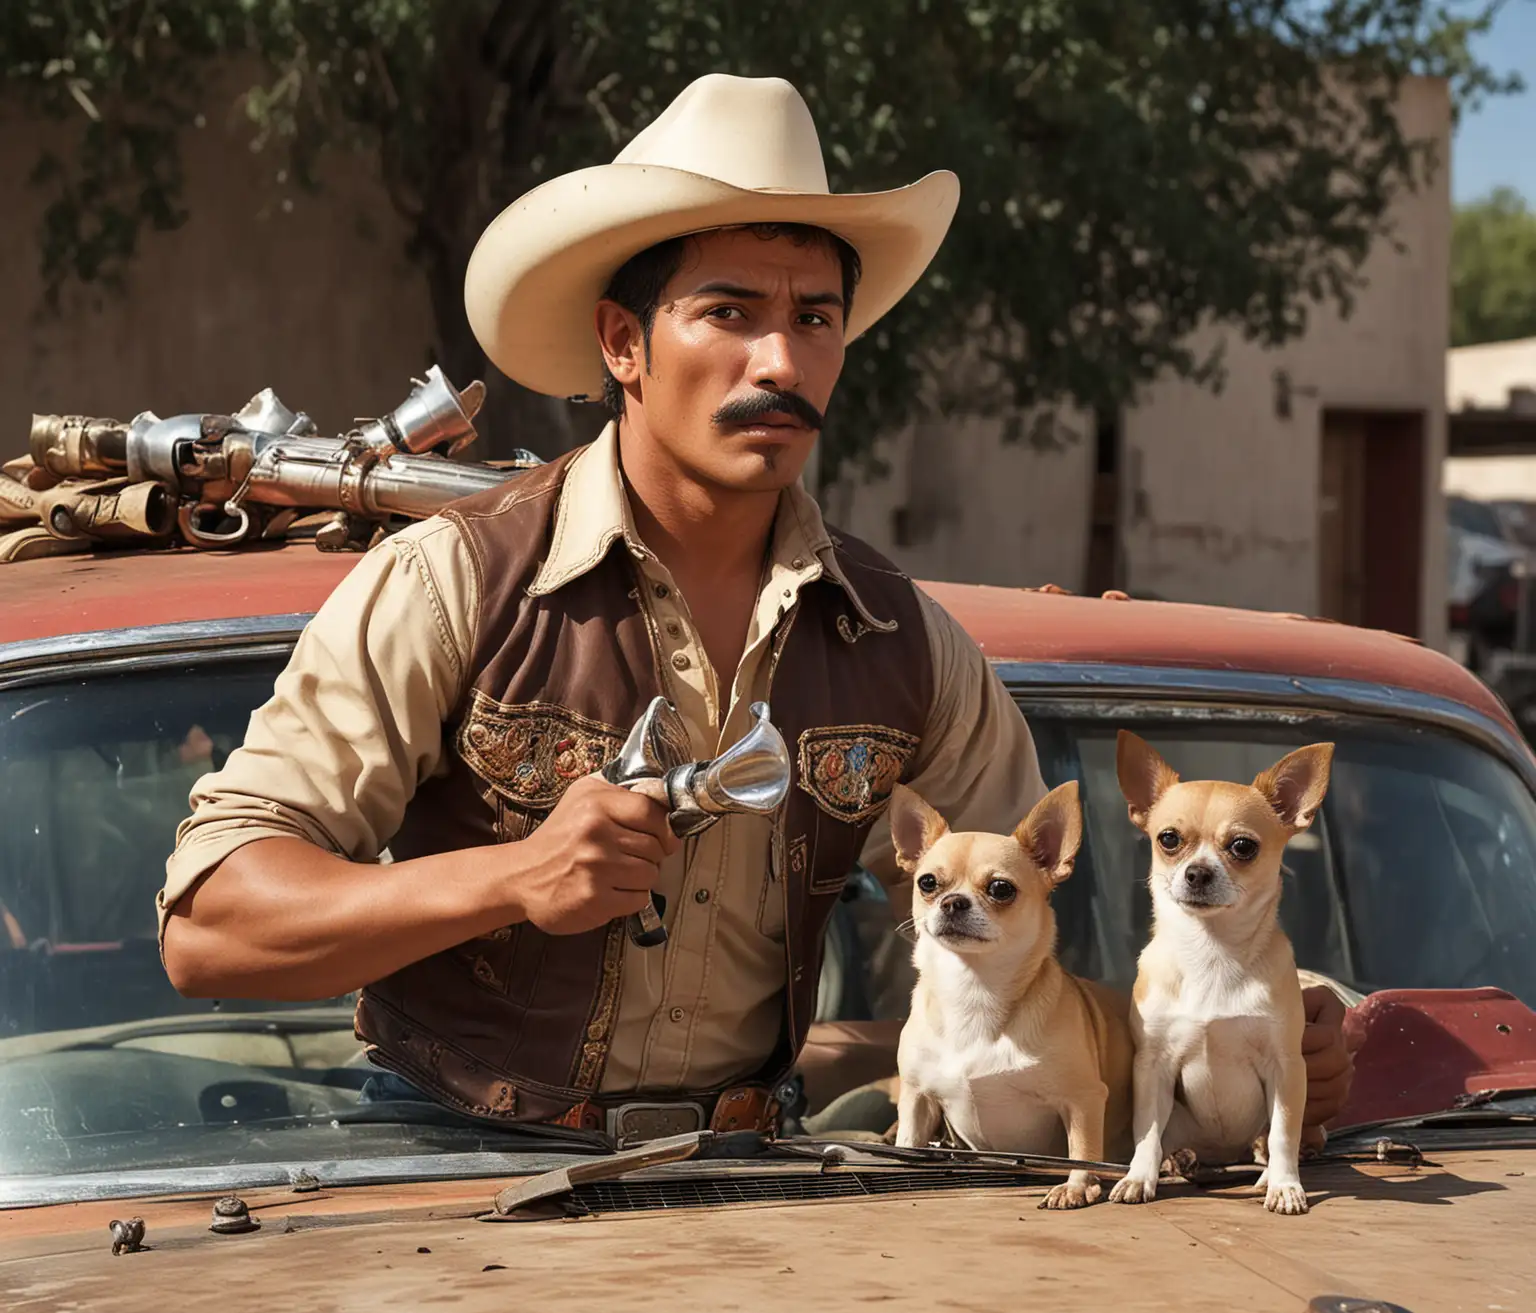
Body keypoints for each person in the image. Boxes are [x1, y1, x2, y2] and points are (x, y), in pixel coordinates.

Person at [158, 74, 1353, 1142]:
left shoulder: (910, 646)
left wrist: (1271, 1021)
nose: (780, 362)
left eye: (815, 319)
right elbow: (211, 928)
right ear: (623, 342)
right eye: (729, 313)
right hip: (449, 1166)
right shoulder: (453, 584)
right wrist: (513, 876)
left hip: (764, 1183)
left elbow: (1035, 961)